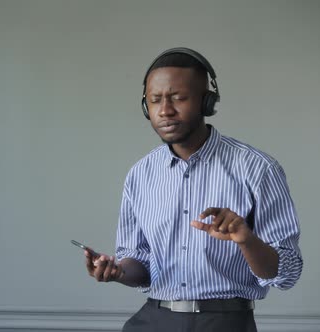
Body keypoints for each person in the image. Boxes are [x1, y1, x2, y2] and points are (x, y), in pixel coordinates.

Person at [83, 48, 303, 332]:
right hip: (153, 319)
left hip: (225, 322)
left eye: (179, 98)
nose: (165, 111)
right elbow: (139, 263)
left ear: (207, 102)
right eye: (155, 100)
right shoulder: (140, 174)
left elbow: (287, 273)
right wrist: (119, 272)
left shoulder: (258, 169)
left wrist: (246, 240)